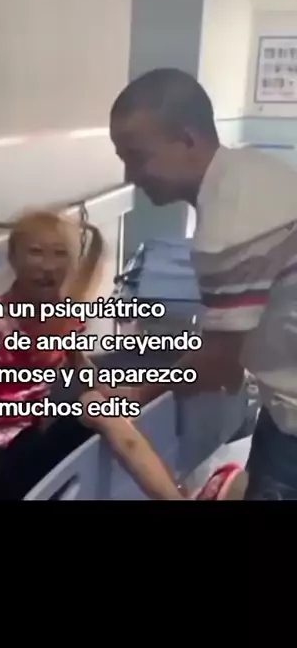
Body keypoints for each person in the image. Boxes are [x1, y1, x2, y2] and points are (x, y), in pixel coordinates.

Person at [0, 209, 188, 500]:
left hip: (28, 438)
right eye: (36, 252)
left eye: (60, 254)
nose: (48, 266)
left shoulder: (66, 318)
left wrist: (117, 392)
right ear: (13, 258)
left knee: (100, 407)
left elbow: (79, 364)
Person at [106, 66, 297, 500]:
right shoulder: (253, 169)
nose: (130, 174)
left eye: (137, 156)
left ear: (188, 139)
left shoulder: (230, 230)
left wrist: (135, 393)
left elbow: (219, 368)